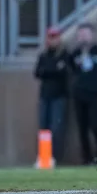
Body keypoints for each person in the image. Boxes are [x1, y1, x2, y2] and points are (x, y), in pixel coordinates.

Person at [69, 24, 97, 164]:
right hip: (79, 94)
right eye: (81, 35)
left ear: (92, 35)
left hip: (94, 94)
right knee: (82, 128)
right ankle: (86, 158)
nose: (83, 37)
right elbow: (70, 70)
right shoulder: (75, 54)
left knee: (95, 125)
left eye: (86, 34)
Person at [33, 27, 70, 163]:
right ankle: (43, 156)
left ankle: (53, 156)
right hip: (45, 96)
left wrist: (48, 71)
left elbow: (64, 71)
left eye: (55, 37)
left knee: (56, 127)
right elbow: (37, 72)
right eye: (50, 37)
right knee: (44, 127)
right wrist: (54, 69)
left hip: (59, 96)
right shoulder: (44, 55)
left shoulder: (64, 54)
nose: (53, 40)